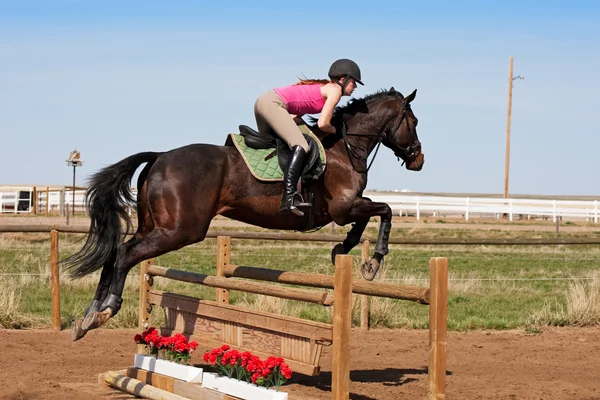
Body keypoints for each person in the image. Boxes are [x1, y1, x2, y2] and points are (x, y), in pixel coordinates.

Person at [253, 58, 363, 216]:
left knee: (276, 145)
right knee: (302, 146)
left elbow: (294, 116)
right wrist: (337, 131)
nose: (355, 87)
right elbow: (323, 124)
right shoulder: (335, 91)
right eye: (354, 82)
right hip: (273, 104)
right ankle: (289, 197)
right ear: (342, 80)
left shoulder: (323, 88)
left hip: (263, 102)